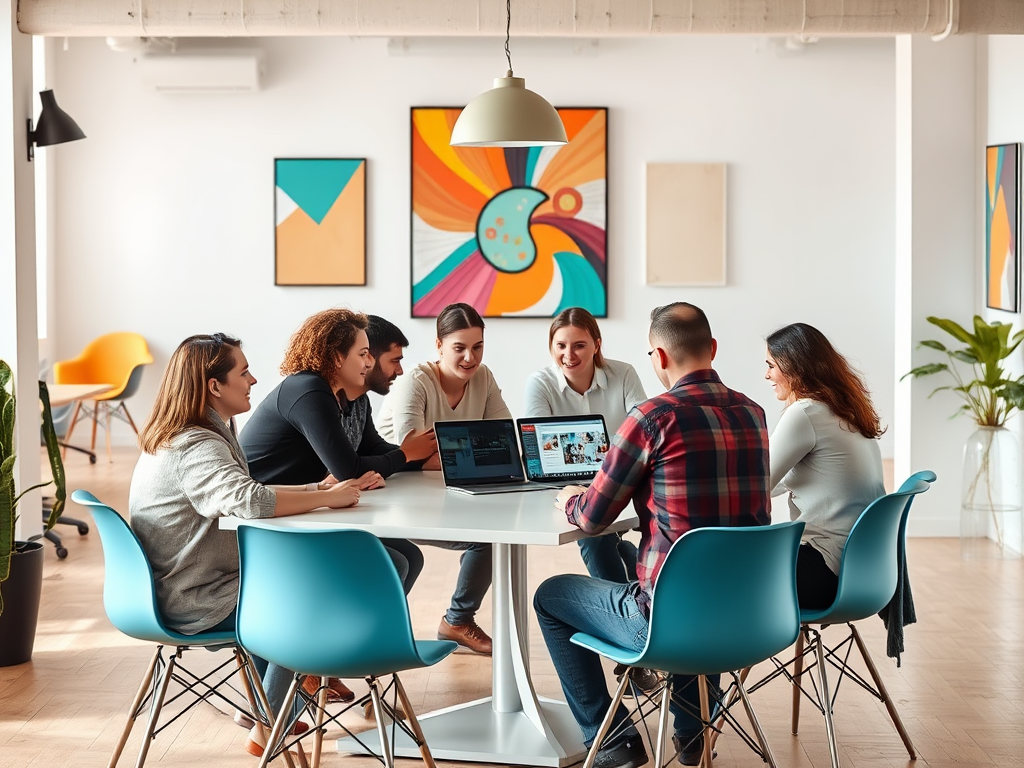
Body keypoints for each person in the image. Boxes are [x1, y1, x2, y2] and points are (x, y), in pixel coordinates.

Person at [533, 303, 771, 768]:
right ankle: (691, 734)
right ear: (713, 349)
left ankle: (613, 738)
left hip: (666, 621)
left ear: (658, 357)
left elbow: (594, 518)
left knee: (550, 596)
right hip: (745, 612)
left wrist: (569, 499)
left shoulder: (651, 418)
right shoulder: (755, 413)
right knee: (698, 580)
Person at [129, 334, 362, 757]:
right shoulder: (194, 444)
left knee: (312, 583)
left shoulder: (194, 431)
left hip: (193, 581)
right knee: (315, 597)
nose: (254, 379)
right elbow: (249, 500)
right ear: (214, 385)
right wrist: (326, 498)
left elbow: (243, 490)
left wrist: (315, 487)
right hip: (197, 597)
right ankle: (269, 722)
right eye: (244, 371)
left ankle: (274, 703)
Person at [240, 309, 437, 704]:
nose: (370, 362)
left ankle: (333, 660)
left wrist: (413, 455)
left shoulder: (347, 398)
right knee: (390, 564)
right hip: (265, 522)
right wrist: (404, 455)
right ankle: (286, 695)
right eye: (363, 354)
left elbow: (374, 455)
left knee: (408, 557)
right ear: (335, 357)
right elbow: (348, 467)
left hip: (305, 509)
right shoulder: (308, 391)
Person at [377, 302, 512, 655]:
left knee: (492, 538)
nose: (470, 357)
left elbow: (505, 440)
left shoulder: (483, 377)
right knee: (485, 539)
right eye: (459, 348)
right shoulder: (415, 381)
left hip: (442, 490)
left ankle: (457, 620)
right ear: (438, 346)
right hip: (395, 497)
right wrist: (474, 450)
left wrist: (451, 452)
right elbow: (410, 449)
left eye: (478, 347)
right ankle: (444, 624)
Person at [765, 322, 886, 610]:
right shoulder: (845, 412)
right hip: (863, 571)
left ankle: (702, 651)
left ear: (793, 365)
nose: (766, 374)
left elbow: (758, 484)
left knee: (719, 571)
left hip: (823, 571)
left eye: (771, 365)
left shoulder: (804, 413)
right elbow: (780, 481)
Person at [523, 307, 646, 583]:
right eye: (561, 346)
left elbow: (644, 432)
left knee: (598, 534)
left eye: (579, 345)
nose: (569, 355)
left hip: (620, 479)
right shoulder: (539, 384)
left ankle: (623, 603)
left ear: (596, 345)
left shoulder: (623, 374)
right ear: (551, 347)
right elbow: (539, 452)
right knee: (594, 533)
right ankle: (623, 600)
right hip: (563, 484)